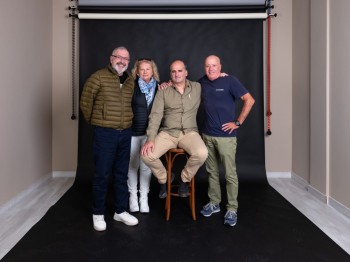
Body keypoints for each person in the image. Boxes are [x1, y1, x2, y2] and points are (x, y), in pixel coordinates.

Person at [80, 46, 138, 231]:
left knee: (121, 174)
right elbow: (85, 102)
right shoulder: (98, 77)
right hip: (105, 133)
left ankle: (120, 211)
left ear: (129, 62)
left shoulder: (130, 80)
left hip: (125, 133)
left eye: (125, 58)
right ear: (111, 58)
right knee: (102, 174)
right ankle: (98, 213)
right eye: (118, 57)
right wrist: (98, 121)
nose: (122, 61)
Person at [198, 55, 255, 227]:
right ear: (204, 67)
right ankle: (214, 203)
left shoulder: (230, 81)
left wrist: (238, 122)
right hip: (207, 135)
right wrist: (166, 83)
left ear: (220, 66)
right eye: (208, 66)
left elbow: (249, 100)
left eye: (214, 65)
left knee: (230, 174)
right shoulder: (202, 82)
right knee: (211, 172)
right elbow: (183, 84)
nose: (211, 69)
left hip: (226, 138)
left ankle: (232, 208)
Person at [141, 60, 208, 199]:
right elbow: (155, 116)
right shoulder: (163, 90)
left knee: (202, 153)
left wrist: (222, 75)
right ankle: (165, 178)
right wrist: (150, 138)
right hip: (168, 133)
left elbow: (213, 78)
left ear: (186, 72)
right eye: (173, 71)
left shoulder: (197, 87)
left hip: (189, 133)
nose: (177, 74)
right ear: (170, 74)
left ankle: (184, 180)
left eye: (180, 70)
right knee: (146, 155)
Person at [128, 58, 159, 213]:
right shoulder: (131, 86)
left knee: (146, 167)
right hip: (133, 132)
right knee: (132, 166)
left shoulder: (159, 87)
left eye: (148, 69)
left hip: (150, 134)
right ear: (137, 71)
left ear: (153, 71)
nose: (145, 72)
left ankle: (143, 198)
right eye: (142, 69)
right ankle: (132, 198)